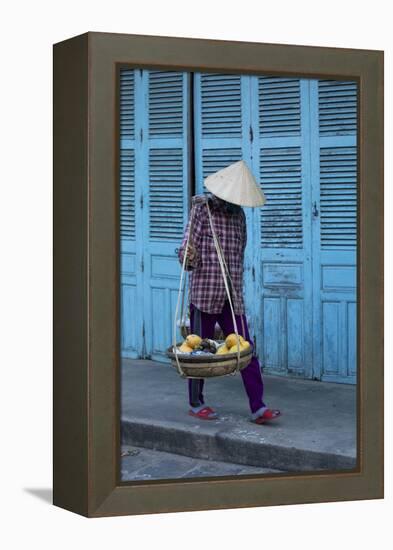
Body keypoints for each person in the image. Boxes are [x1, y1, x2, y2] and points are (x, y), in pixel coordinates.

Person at [178, 160, 281, 424]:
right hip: (204, 294)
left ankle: (258, 406)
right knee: (197, 353)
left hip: (232, 296)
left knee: (245, 350)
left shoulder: (238, 216)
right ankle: (196, 402)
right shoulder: (202, 211)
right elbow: (187, 247)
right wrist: (188, 256)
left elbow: (240, 251)